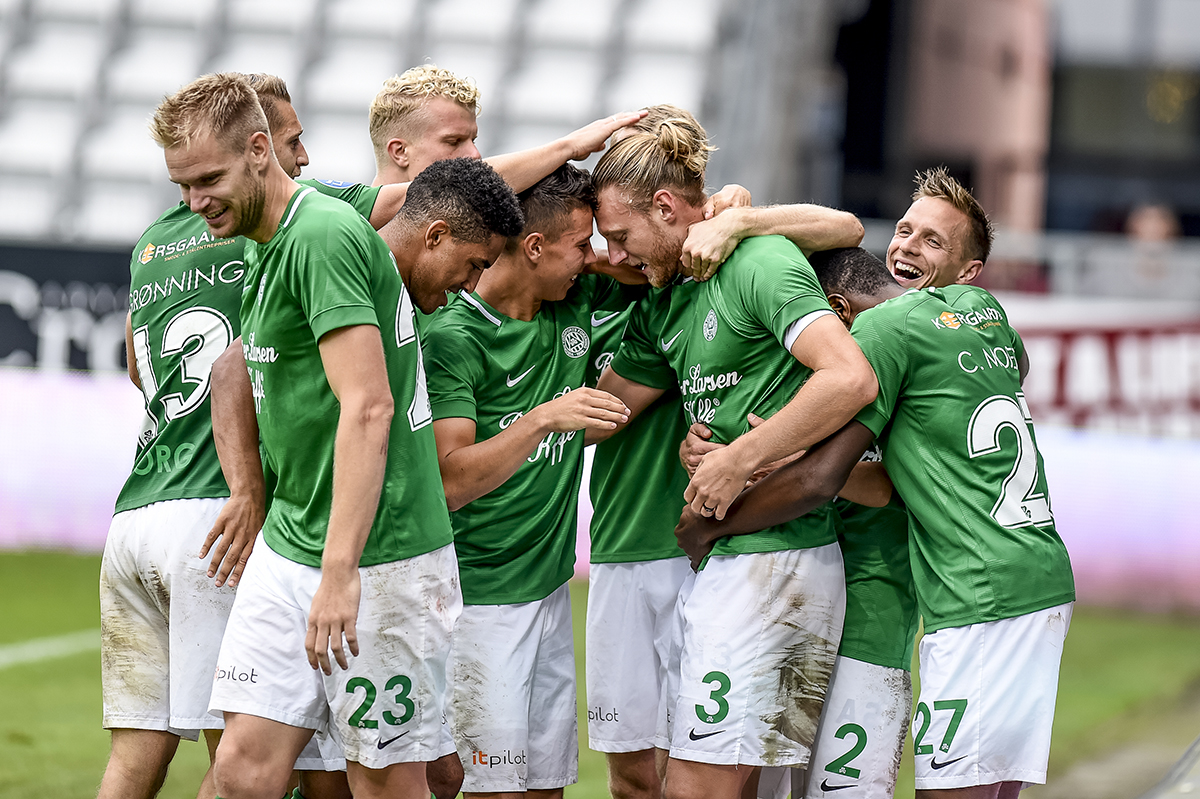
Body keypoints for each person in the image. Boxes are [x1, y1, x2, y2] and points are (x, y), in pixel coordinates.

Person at [152, 73, 524, 799]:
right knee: (241, 772)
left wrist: (340, 570)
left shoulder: (321, 236)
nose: (194, 202)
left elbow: (369, 408)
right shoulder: (267, 240)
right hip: (294, 542)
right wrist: (252, 492)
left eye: (208, 180)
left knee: (384, 781)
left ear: (258, 150)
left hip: (381, 558)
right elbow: (239, 372)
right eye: (183, 185)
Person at [674, 246, 1076, 799]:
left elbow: (846, 480)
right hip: (806, 599)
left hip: (873, 613)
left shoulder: (887, 345)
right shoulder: (867, 361)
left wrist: (717, 518)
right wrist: (724, 453)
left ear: (836, 310)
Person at [586, 110, 876, 799]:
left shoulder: (758, 260)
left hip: (779, 562)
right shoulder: (670, 300)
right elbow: (604, 411)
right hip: (736, 558)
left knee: (696, 786)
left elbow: (850, 378)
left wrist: (736, 459)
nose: (616, 255)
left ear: (665, 207)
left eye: (622, 236)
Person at [99, 73, 365, 799]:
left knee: (134, 758)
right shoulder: (289, 224)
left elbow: (136, 366)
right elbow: (429, 201)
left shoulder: (153, 241)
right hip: (218, 520)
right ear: (259, 145)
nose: (303, 157)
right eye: (292, 140)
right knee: (247, 761)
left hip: (136, 513)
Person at [421, 163, 645, 799]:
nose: (595, 256)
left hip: (547, 592)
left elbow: (653, 267)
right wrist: (545, 417)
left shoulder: (571, 297)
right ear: (535, 246)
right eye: (581, 244)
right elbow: (450, 480)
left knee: (546, 788)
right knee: (489, 790)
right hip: (479, 601)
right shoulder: (454, 338)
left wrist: (592, 260)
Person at [368, 64, 646, 194]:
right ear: (400, 152)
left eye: (473, 140)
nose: (475, 154)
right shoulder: (351, 221)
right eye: (453, 141)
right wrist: (567, 147)